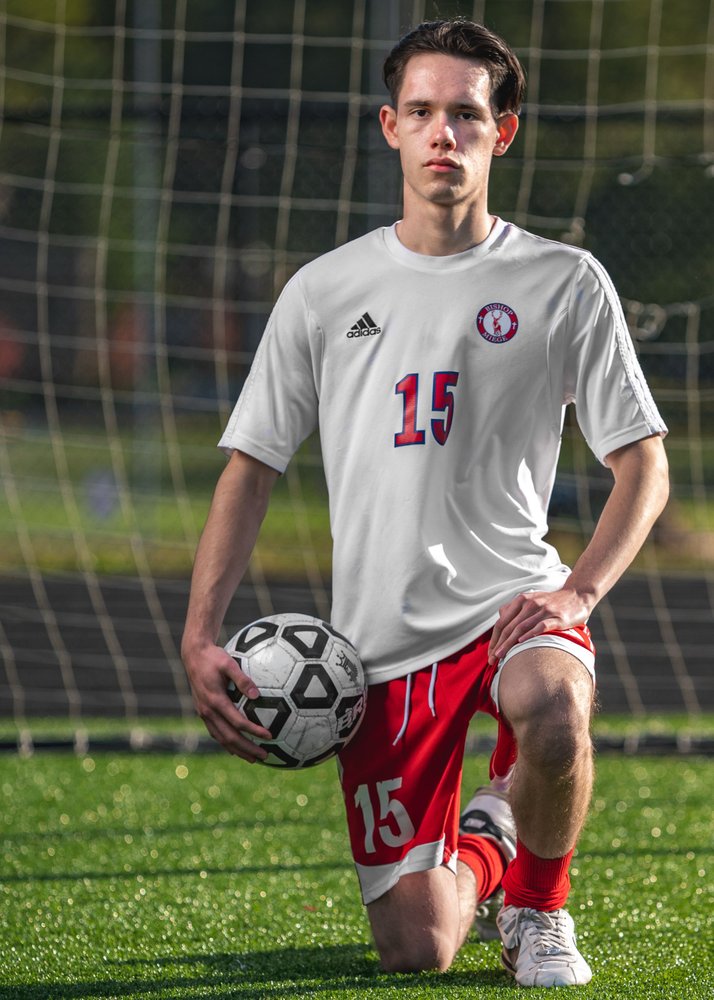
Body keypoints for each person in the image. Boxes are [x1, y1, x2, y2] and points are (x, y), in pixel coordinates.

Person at [181, 18, 669, 989]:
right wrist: (199, 635)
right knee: (419, 948)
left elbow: (644, 466)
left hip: (513, 604)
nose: (444, 132)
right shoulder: (323, 291)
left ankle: (539, 908)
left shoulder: (564, 282)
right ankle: (493, 830)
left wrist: (575, 594)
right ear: (390, 127)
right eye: (422, 112)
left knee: (552, 711)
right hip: (381, 648)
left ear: (503, 131)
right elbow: (251, 469)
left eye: (466, 114)